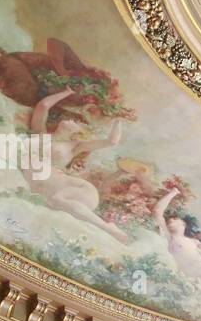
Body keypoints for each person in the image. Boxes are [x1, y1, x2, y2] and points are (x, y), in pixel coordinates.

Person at [23, 88, 130, 243]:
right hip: (42, 183)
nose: (71, 120)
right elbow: (44, 106)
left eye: (76, 122)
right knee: (55, 199)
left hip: (76, 189)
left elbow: (111, 141)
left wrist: (118, 120)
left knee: (57, 199)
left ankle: (107, 227)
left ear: (79, 131)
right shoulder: (41, 133)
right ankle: (107, 227)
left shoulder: (75, 146)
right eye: (72, 119)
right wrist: (67, 92)